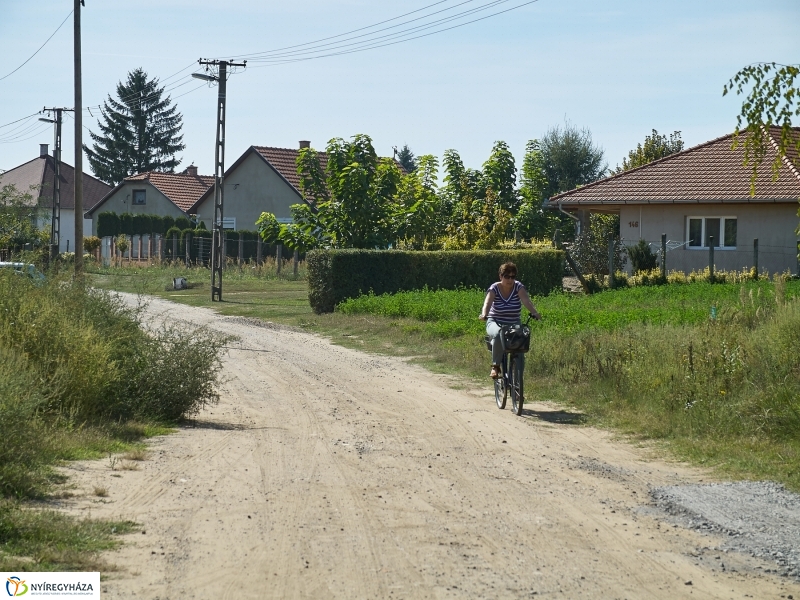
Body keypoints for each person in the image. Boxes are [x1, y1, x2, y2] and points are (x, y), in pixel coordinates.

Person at [479, 262, 541, 379]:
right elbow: (487, 303)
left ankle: (518, 381)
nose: (510, 280)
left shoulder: (518, 287)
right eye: (507, 276)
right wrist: (484, 314)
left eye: (513, 277)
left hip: (513, 323)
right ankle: (495, 366)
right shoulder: (494, 288)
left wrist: (535, 312)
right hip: (495, 322)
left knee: (521, 344)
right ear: (500, 276)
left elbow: (526, 301)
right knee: (498, 334)